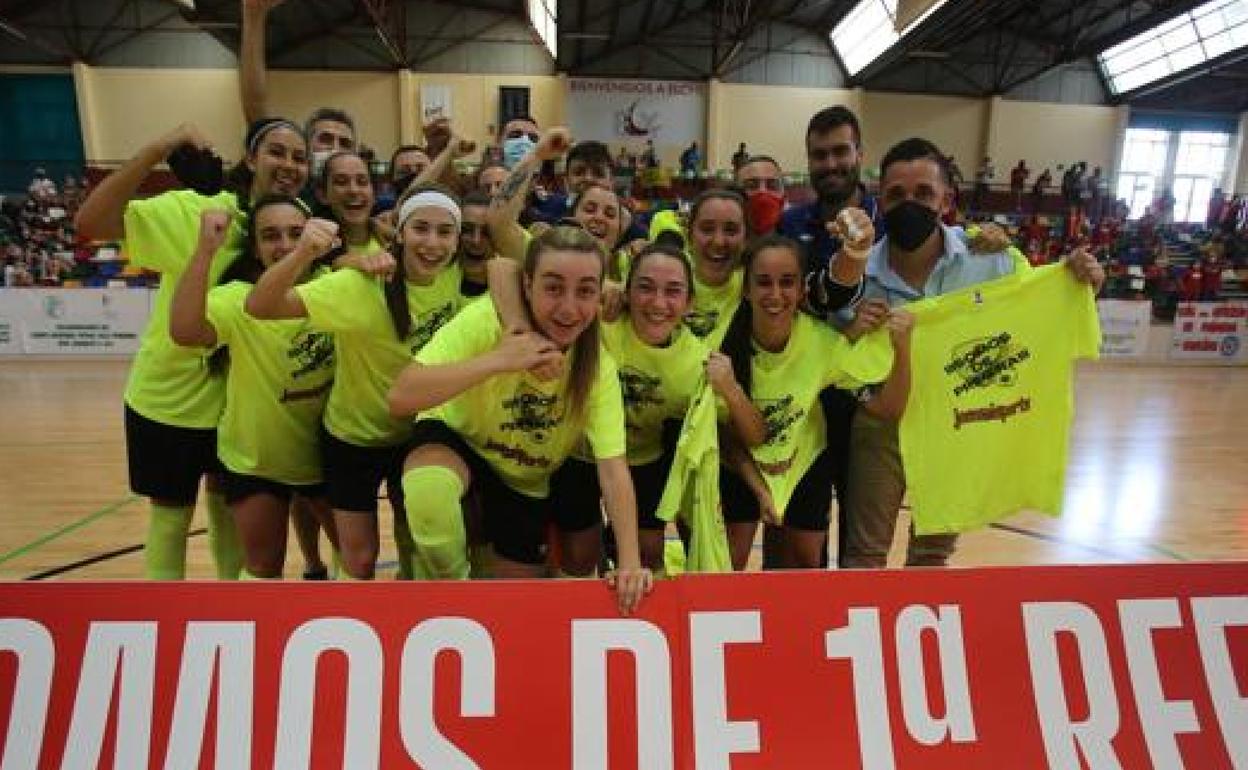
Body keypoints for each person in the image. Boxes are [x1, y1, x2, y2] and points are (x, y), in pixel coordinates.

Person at [839, 137, 1104, 569]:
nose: (910, 203)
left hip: (956, 424)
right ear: (880, 203)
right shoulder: (856, 271)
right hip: (881, 424)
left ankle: (921, 635)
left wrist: (1084, 279)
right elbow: (835, 351)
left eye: (924, 193)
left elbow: (1044, 298)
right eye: (896, 195)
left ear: (946, 200)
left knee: (931, 556)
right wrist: (853, 330)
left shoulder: (990, 259)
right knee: (863, 555)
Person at [75, 117, 310, 580]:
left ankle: (229, 625)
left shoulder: (295, 218)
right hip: (171, 400)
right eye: (277, 152)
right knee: (170, 520)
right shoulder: (198, 209)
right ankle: (162, 629)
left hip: (240, 404)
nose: (289, 164)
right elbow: (91, 223)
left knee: (230, 520)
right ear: (250, 159)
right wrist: (160, 144)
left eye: (299, 156)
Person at [387, 225, 654, 613]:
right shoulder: (485, 321)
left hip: (525, 477)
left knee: (515, 603)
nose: (568, 307)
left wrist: (629, 563)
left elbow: (613, 471)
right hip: (460, 439)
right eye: (553, 287)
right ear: (527, 286)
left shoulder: (597, 368)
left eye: (585, 291)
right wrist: (501, 358)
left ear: (600, 296)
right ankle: (450, 597)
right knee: (429, 493)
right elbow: (400, 396)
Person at [491, 240, 764, 574]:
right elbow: (502, 264)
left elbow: (750, 436)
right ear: (627, 292)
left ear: (690, 303)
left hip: (644, 462)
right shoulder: (595, 326)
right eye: (645, 288)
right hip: (580, 455)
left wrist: (732, 391)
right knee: (579, 557)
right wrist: (520, 331)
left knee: (647, 555)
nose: (658, 303)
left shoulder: (700, 362)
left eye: (673, 291)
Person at [245, 184, 467, 579]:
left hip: (414, 434)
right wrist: (303, 253)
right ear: (399, 231)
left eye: (444, 232)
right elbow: (259, 306)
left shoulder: (455, 275)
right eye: (421, 229)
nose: (432, 242)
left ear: (457, 240)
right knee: (359, 559)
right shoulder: (360, 285)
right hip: (352, 439)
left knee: (417, 545)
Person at [170, 198, 337, 579]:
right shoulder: (237, 297)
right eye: (270, 236)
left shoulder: (335, 285)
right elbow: (184, 331)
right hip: (257, 459)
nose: (284, 244)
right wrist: (204, 251)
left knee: (354, 560)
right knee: (263, 568)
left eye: (296, 233)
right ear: (255, 248)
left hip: (326, 455)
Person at [717, 235, 907, 569]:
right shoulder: (722, 345)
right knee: (729, 560)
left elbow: (885, 408)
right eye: (763, 283)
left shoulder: (823, 342)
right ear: (745, 290)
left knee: (805, 563)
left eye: (787, 282)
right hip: (740, 460)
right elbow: (729, 440)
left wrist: (902, 347)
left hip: (803, 460)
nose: (775, 295)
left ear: (803, 290)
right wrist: (762, 491)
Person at [736, 155, 786, 236]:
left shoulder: (797, 241)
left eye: (772, 186)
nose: (762, 192)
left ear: (784, 195)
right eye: (751, 186)